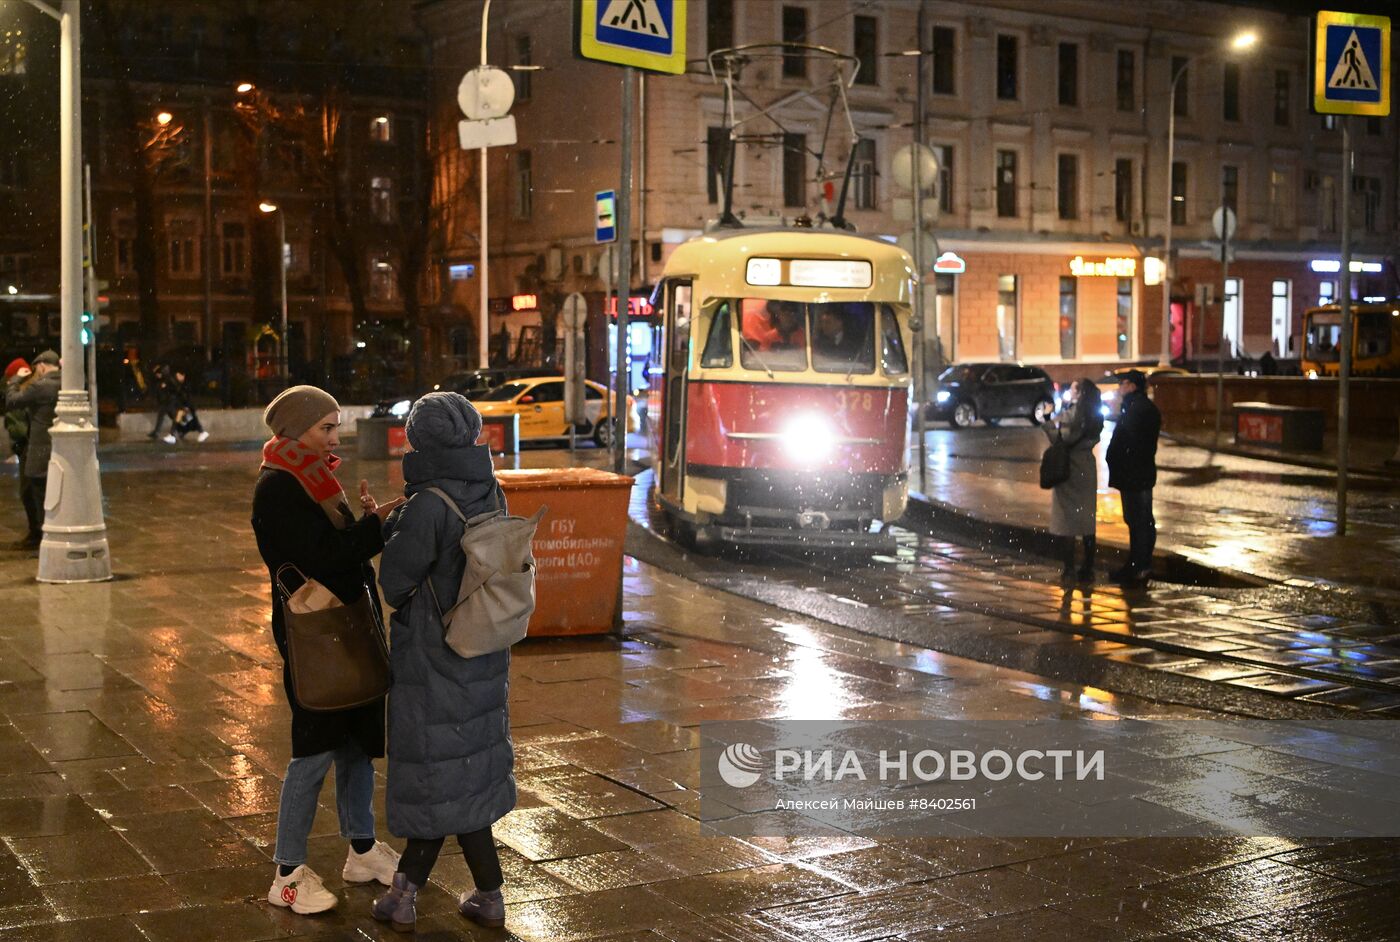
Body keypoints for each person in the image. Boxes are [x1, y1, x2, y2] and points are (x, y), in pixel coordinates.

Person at [251, 385, 405, 916]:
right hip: (314, 634)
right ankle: (287, 873)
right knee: (314, 748)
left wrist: (367, 522)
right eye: (326, 428)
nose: (334, 437)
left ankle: (361, 850)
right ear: (295, 430)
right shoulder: (278, 488)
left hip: (347, 623)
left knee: (358, 741)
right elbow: (325, 556)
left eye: (335, 426)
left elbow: (342, 546)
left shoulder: (315, 477)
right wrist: (375, 529)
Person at [372, 392, 515, 932]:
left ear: (419, 441)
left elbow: (396, 582)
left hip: (434, 657)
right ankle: (489, 896)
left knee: (438, 777)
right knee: (468, 775)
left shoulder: (429, 502)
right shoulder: (489, 489)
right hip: (483, 648)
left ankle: (403, 896)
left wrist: (397, 530)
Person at [1105, 369, 1161, 586]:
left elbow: (1128, 442)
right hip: (1138, 473)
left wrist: (1120, 460)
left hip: (1135, 475)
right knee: (1139, 521)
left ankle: (1140, 567)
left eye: (1123, 384)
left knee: (1139, 521)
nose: (1120, 388)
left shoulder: (1137, 410)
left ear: (1132, 386)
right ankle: (1136, 565)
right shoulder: (1138, 407)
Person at [1045, 378, 1104, 584]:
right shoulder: (1095, 413)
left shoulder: (1073, 414)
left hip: (1069, 468)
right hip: (1087, 468)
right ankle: (1088, 568)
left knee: (1067, 522)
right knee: (1087, 521)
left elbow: (1060, 439)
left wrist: (1047, 419)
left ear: (1079, 393)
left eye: (1072, 388)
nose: (1069, 390)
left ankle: (1069, 569)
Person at [5, 351, 61, 552]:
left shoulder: (40, 386)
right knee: (47, 491)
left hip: (36, 446)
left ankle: (43, 534)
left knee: (35, 489)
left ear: (43, 366)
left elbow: (11, 401)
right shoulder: (65, 383)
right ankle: (45, 532)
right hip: (54, 446)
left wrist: (14, 380)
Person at [4, 358, 36, 546]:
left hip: (27, 446)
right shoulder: (26, 391)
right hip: (27, 446)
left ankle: (36, 531)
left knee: (28, 490)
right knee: (28, 490)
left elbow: (20, 425)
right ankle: (35, 530)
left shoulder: (25, 393)